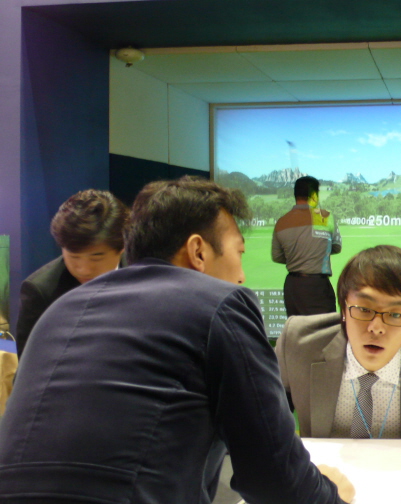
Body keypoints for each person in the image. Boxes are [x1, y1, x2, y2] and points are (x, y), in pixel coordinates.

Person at [0, 176, 353, 504]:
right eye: (239, 253)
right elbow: (273, 477)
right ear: (198, 251)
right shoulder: (222, 303)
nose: (242, 276)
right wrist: (331, 494)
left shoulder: (59, 310)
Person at [276, 245, 401, 443]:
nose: (376, 328)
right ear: (343, 308)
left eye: (395, 314)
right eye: (364, 309)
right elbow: (268, 403)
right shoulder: (299, 343)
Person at [16, 189, 128, 360]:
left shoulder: (144, 273)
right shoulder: (41, 291)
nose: (84, 269)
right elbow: (30, 363)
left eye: (96, 257)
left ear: (122, 247)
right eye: (74, 256)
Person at [272, 176, 342, 316]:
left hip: (293, 287)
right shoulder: (325, 216)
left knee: (297, 327)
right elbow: (336, 247)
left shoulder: (282, 221)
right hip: (318, 286)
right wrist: (315, 254)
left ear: (295, 195)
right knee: (325, 328)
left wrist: (297, 257)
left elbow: (277, 256)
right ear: (314, 195)